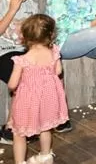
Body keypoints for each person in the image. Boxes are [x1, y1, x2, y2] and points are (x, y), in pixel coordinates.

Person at [7, 14, 68, 164]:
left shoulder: (23, 60)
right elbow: (58, 71)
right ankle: (45, 156)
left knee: (19, 133)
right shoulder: (54, 52)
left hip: (28, 101)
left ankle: (20, 162)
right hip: (49, 97)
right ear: (51, 34)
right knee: (45, 128)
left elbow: (12, 84)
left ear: (24, 36)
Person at [0, 0, 40, 144]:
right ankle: (11, 125)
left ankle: (24, 123)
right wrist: (12, 10)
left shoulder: (33, 5)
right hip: (3, 53)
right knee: (23, 79)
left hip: (25, 53)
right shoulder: (1, 4)